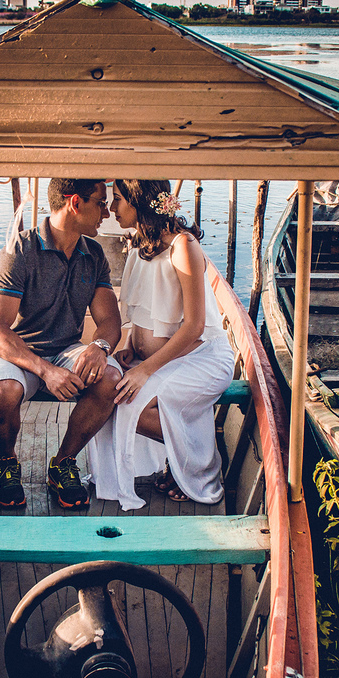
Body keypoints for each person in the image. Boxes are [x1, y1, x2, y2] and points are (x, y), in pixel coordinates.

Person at [0, 178, 123, 509]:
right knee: (1, 393)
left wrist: (99, 347)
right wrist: (45, 371)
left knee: (111, 380)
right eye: (100, 202)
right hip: (20, 352)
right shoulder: (20, 250)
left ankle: (63, 463)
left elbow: (111, 320)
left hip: (66, 349)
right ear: (75, 203)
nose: (106, 212)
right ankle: (8, 463)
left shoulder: (93, 253)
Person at [88, 180, 235, 510]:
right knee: (111, 394)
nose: (112, 209)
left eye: (118, 200)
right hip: (160, 359)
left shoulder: (183, 246)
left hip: (201, 357)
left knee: (128, 404)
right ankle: (178, 462)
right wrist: (130, 343)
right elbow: (143, 308)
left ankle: (199, 463)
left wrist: (144, 370)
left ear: (139, 203)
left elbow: (195, 325)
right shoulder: (140, 243)